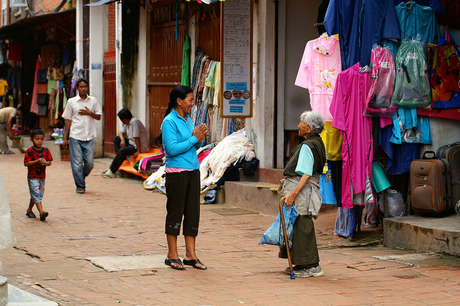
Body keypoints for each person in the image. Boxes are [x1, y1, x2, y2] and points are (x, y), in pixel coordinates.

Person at [160, 85, 208, 270]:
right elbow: (171, 150)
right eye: (190, 100)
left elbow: (189, 147)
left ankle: (190, 254)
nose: (192, 105)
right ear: (179, 101)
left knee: (192, 212)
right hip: (177, 173)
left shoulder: (188, 119)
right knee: (175, 212)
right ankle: (172, 254)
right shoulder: (169, 122)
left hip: (193, 170)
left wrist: (198, 138)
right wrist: (194, 139)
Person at [279, 110, 326, 278]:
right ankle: (303, 263)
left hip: (303, 191)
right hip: (306, 190)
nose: (298, 125)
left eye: (300, 122)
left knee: (302, 225)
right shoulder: (316, 142)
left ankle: (311, 265)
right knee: (300, 224)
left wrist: (293, 193)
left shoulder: (308, 146)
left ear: (308, 127)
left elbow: (306, 173)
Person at [62, 78, 102, 194]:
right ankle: (80, 186)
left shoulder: (93, 101)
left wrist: (89, 113)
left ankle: (80, 176)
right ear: (77, 88)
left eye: (85, 86)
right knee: (77, 163)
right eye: (81, 87)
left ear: (88, 87)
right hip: (75, 136)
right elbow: (68, 120)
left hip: (89, 136)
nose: (83, 89)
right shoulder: (71, 102)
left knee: (89, 163)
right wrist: (65, 137)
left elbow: (99, 117)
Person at [102, 108, 149, 178]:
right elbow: (121, 133)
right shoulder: (127, 123)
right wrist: (122, 140)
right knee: (116, 139)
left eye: (121, 119)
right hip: (132, 144)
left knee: (122, 151)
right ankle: (122, 160)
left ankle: (112, 171)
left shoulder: (134, 122)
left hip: (138, 146)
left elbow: (137, 138)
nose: (121, 121)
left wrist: (138, 151)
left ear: (125, 118)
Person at [24, 128, 53, 221]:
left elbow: (49, 162)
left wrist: (44, 163)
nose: (39, 141)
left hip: (42, 177)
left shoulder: (46, 151)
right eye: (37, 139)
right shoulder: (29, 151)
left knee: (38, 195)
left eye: (41, 139)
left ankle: (29, 210)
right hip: (32, 177)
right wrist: (36, 161)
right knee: (37, 194)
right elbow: (26, 163)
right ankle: (41, 212)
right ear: (31, 139)